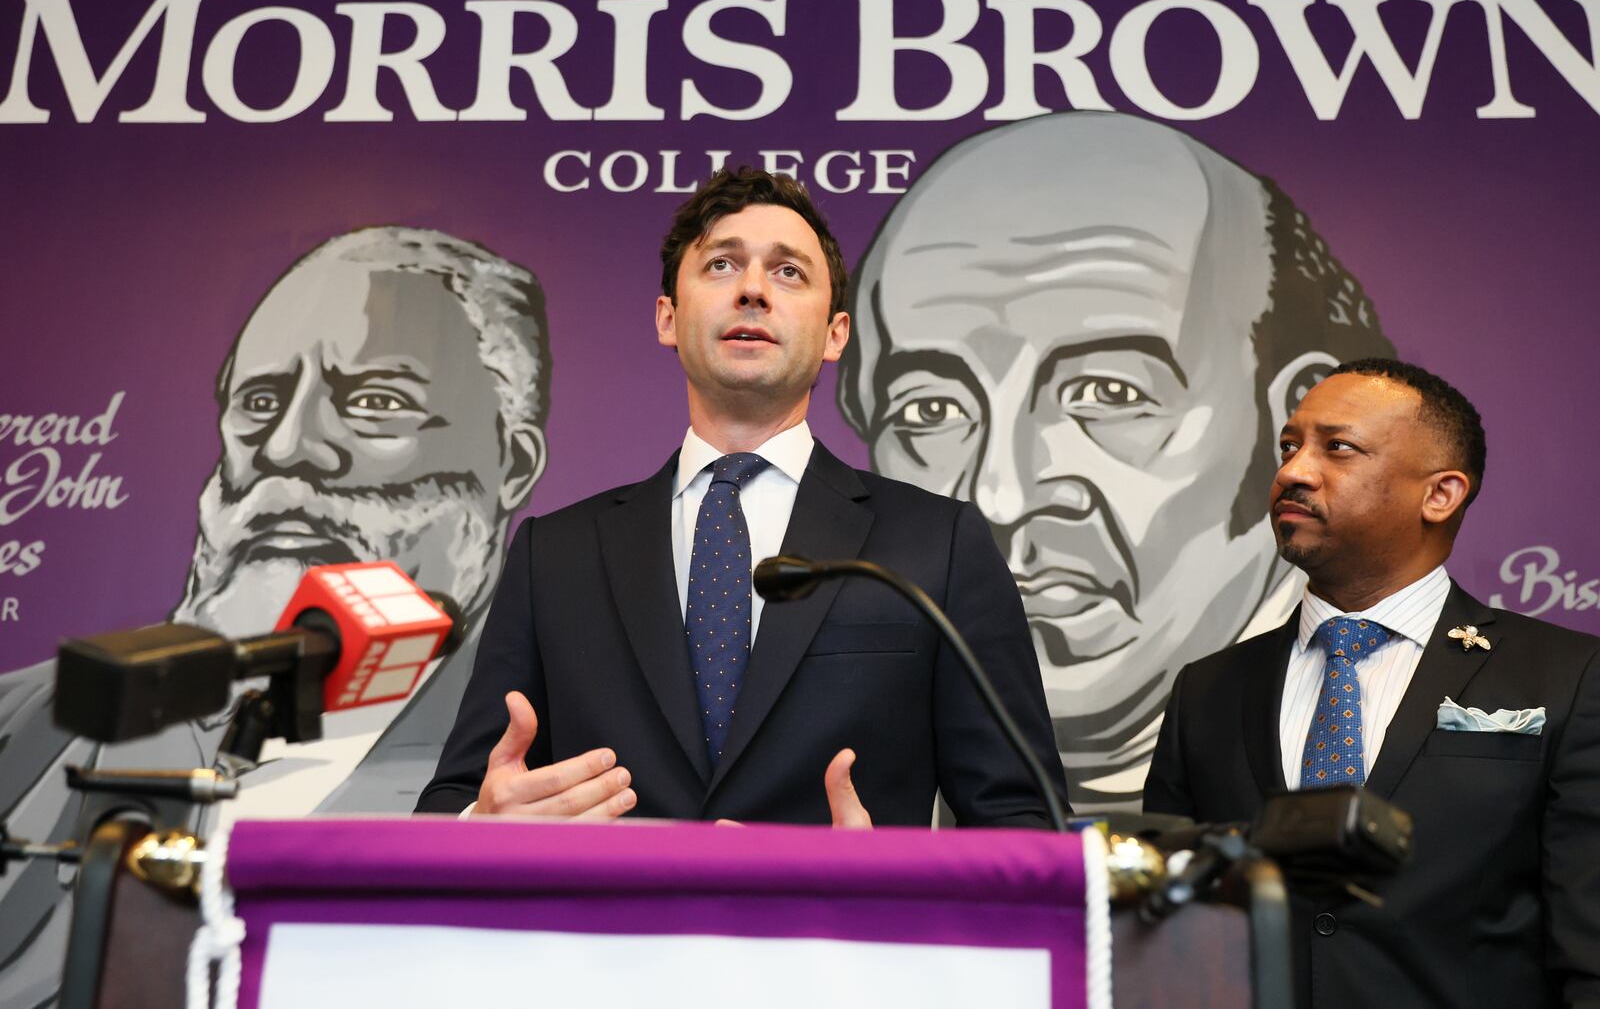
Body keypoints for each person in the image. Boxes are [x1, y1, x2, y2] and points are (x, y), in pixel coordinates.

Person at [0, 227, 551, 1009]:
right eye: (259, 402)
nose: (289, 448)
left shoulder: (537, 762)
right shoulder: (30, 718)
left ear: (514, 462)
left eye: (375, 402)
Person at [419, 167, 1064, 826]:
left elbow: (1023, 821)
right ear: (668, 317)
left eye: (789, 272)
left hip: (844, 930)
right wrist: (482, 823)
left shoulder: (939, 545)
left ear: (836, 333)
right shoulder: (552, 557)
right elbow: (452, 802)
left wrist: (889, 881)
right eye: (722, 265)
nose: (753, 289)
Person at [838, 111, 1396, 809]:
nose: (1001, 494)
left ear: (1285, 427)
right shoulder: (828, 770)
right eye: (929, 411)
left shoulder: (1396, 702)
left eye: (1108, 392)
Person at [1144, 358, 1600, 1008]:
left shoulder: (1569, 677)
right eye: (1289, 446)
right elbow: (1158, 932)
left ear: (1440, 494)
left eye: (1338, 448)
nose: (1293, 472)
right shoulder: (1207, 691)